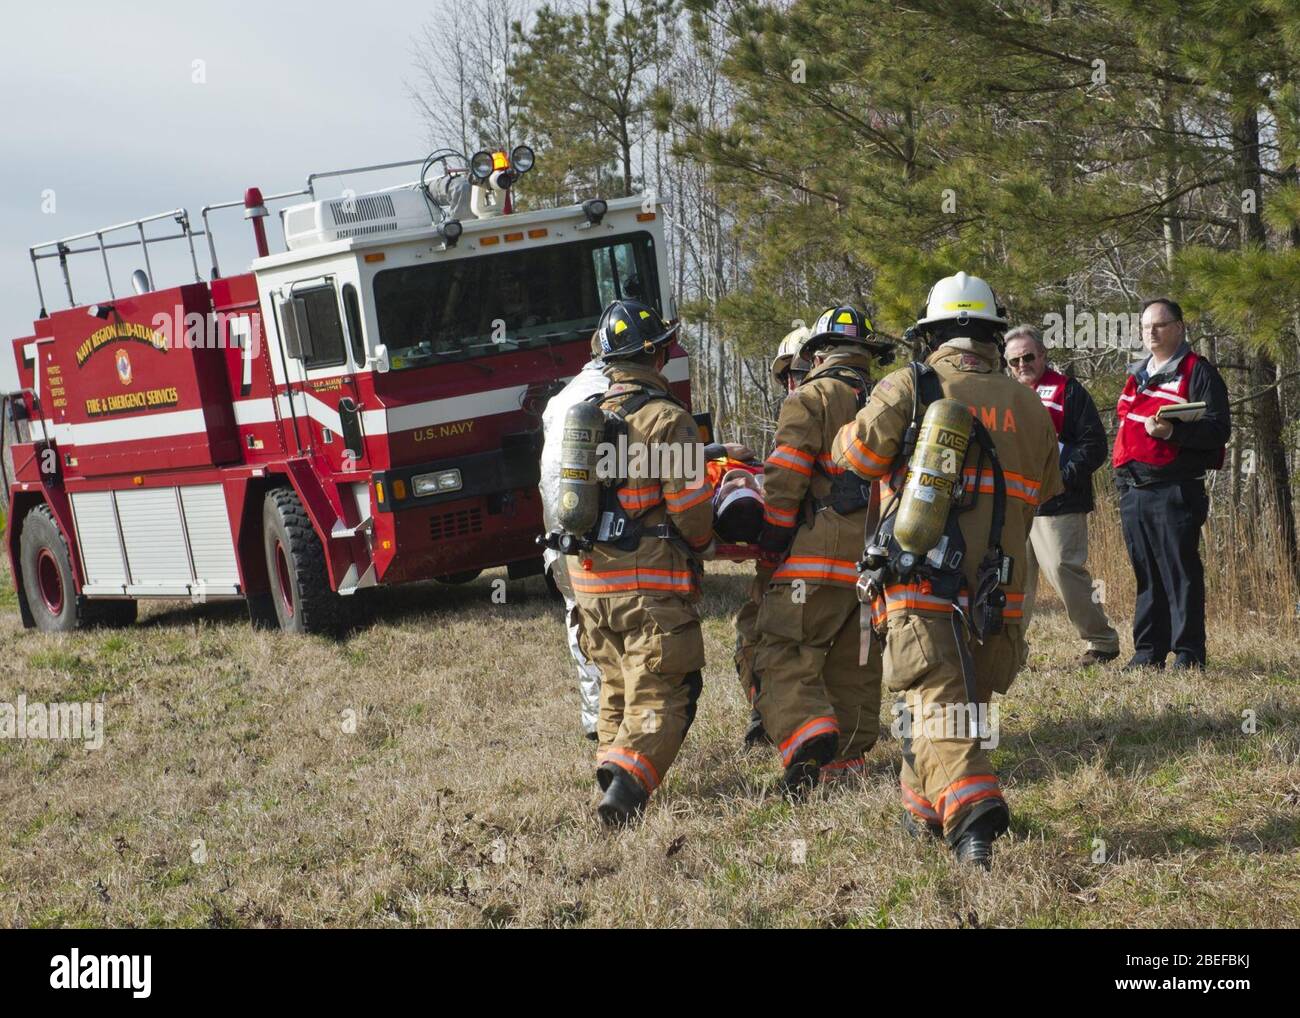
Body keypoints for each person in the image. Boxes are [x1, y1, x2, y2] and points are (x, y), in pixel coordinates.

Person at [833, 272, 1062, 867]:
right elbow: (1040, 495)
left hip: (922, 579)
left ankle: (974, 811)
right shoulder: (1031, 406)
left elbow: (855, 459)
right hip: (1002, 590)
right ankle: (922, 811)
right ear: (991, 334)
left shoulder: (910, 384)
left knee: (935, 703)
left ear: (931, 333)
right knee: (951, 709)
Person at [570, 299, 715, 825]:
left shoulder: (586, 420)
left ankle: (612, 773)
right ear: (655, 355)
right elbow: (692, 511)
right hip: (648, 586)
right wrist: (704, 544)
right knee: (666, 685)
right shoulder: (667, 421)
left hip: (589, 585)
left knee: (616, 685)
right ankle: (626, 793)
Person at [752, 306, 894, 796]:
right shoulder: (893, 401)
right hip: (878, 559)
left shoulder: (808, 398)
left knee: (782, 649)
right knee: (854, 660)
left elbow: (786, 478)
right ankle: (846, 761)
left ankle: (808, 734)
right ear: (867, 356)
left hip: (816, 557)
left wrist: (770, 542)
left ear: (814, 354)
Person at [1113, 298, 1230, 671]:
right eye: (1146, 326)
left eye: (1160, 325)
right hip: (1134, 489)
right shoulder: (1137, 375)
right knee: (1146, 575)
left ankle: (1188, 654)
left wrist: (1173, 432)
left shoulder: (1198, 371)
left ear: (1179, 327)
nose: (1152, 332)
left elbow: (1217, 429)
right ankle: (1148, 652)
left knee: (1180, 574)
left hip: (1174, 488)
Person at [1004, 325, 1119, 665]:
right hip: (1013, 503)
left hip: (1058, 501)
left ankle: (1102, 642)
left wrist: (1062, 479)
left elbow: (1094, 445)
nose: (1022, 365)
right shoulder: (1003, 396)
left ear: (1042, 356)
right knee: (1012, 579)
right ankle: (1011, 652)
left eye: (1028, 357)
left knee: (1062, 570)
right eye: (1014, 361)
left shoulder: (1069, 391)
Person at [734, 326, 812, 748]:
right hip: (800, 556)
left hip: (802, 556)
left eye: (795, 371)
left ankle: (775, 718)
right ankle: (767, 715)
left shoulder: (810, 410)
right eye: (784, 376)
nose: (789, 382)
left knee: (761, 633)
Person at [538, 339, 609, 740]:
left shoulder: (562, 399)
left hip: (561, 535)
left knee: (577, 616)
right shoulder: (619, 394)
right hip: (607, 538)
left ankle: (595, 717)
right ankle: (619, 723)